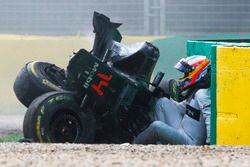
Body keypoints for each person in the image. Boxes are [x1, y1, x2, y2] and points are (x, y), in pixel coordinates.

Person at [133, 55, 211, 145]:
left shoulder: (202, 94)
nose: (184, 76)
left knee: (156, 126)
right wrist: (162, 94)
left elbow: (209, 118)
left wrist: (209, 145)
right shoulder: (194, 91)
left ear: (200, 73)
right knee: (162, 102)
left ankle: (132, 145)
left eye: (186, 74)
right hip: (183, 130)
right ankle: (161, 144)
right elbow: (180, 108)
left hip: (190, 142)